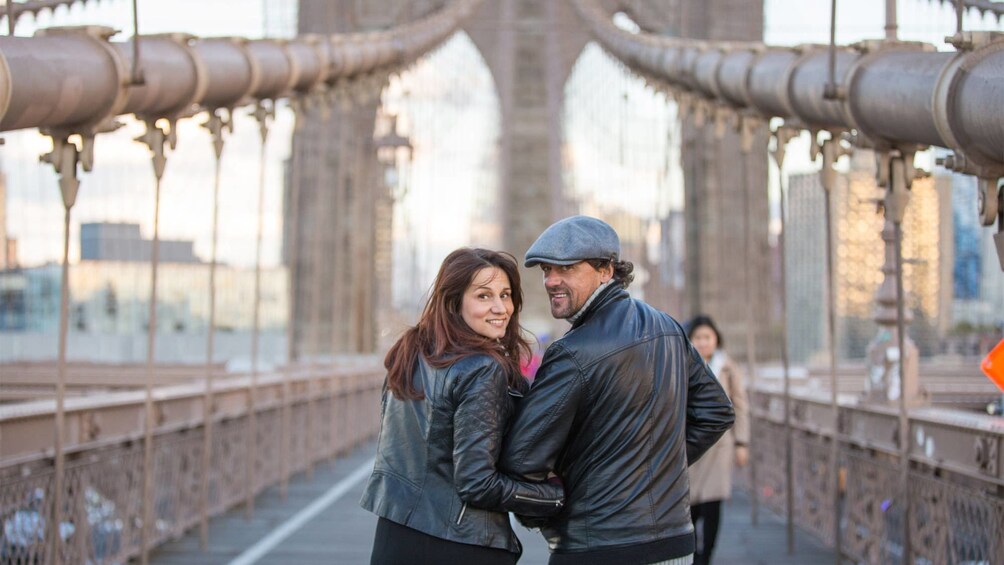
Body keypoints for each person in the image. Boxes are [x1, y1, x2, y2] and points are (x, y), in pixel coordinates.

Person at [501, 215, 736, 565]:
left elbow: (520, 461)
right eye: (546, 270)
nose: (551, 281)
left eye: (565, 269)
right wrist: (657, 467)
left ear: (606, 270)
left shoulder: (573, 352)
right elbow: (717, 412)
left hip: (598, 546)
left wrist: (551, 514)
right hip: (675, 546)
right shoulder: (667, 327)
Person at [360, 248, 565, 565]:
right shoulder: (482, 368)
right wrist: (554, 499)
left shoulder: (410, 352)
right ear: (455, 302)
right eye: (484, 296)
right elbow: (476, 483)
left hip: (394, 536)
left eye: (506, 295)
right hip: (458, 543)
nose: (501, 308)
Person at [685, 315, 750, 565]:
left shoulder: (727, 366)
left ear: (716, 339)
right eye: (698, 338)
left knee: (713, 506)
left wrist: (742, 442)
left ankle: (706, 557)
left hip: (720, 446)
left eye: (707, 337)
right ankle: (691, 554)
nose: (702, 343)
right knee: (689, 508)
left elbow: (741, 405)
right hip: (690, 443)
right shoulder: (682, 363)